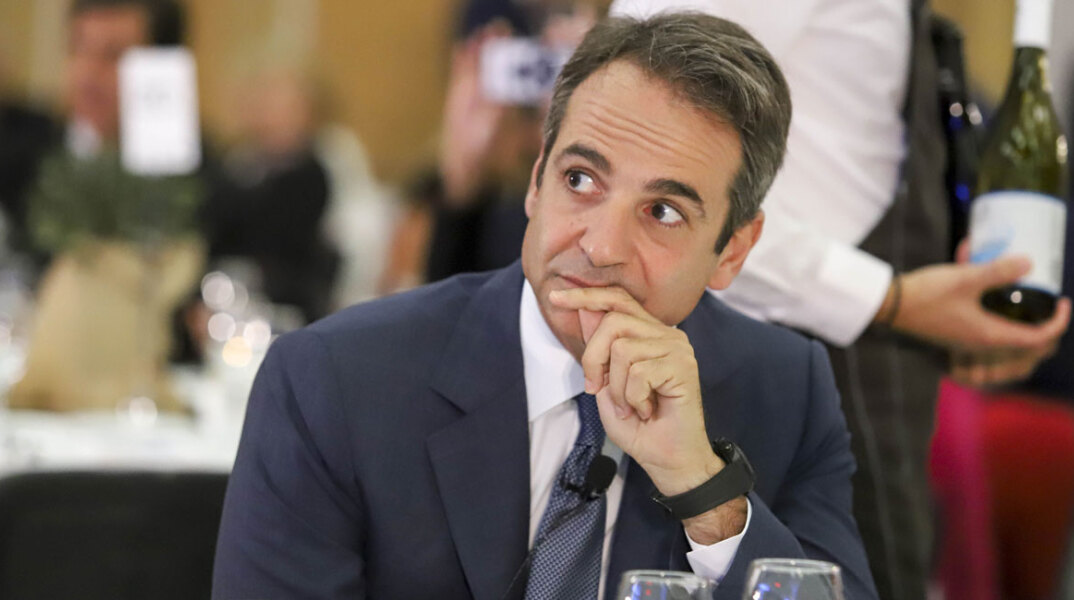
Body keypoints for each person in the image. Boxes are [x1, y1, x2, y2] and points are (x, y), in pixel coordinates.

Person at [213, 13, 877, 600]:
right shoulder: (331, 382)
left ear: (732, 250)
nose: (601, 246)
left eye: (663, 212)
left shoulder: (786, 392)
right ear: (536, 181)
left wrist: (704, 489)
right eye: (580, 179)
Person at [606, 2, 1071, 599]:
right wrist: (890, 299)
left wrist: (948, 319)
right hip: (768, 375)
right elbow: (638, 166)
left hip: (878, 380)